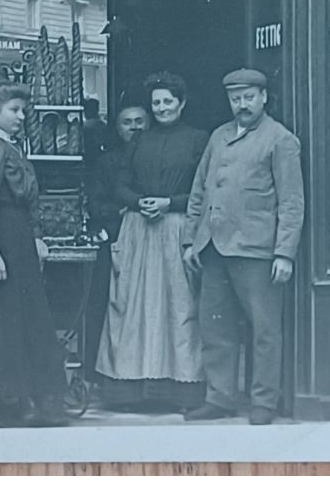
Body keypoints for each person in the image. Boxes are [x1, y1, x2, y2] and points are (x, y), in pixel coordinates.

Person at [182, 69, 304, 426]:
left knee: (264, 329)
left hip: (256, 250)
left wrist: (285, 253)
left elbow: (292, 202)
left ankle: (264, 401)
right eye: (236, 99)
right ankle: (220, 397)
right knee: (215, 328)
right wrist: (191, 239)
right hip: (213, 248)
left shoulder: (280, 140)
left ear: (263, 97)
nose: (242, 105)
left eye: (249, 97)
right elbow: (199, 191)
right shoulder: (219, 136)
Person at [96, 72, 208, 410]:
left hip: (175, 227)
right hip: (139, 229)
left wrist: (169, 203)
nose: (161, 108)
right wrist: (138, 201)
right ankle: (130, 388)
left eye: (167, 101)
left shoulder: (198, 139)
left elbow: (205, 190)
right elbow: (121, 182)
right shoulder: (139, 141)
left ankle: (180, 389)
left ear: (181, 103)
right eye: (156, 102)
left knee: (178, 305)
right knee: (131, 305)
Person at [0, 82, 69, 427]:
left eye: (23, 110)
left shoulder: (9, 148)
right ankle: (3, 403)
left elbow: (28, 200)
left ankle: (30, 400)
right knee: (2, 323)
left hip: (18, 242)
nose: (22, 117)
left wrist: (35, 236)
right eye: (14, 110)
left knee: (26, 320)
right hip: (1, 244)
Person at [82, 99, 145, 383]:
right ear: (117, 128)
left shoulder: (156, 157)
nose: (134, 128)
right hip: (117, 239)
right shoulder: (108, 162)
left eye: (139, 121)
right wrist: (124, 213)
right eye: (127, 122)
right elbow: (97, 204)